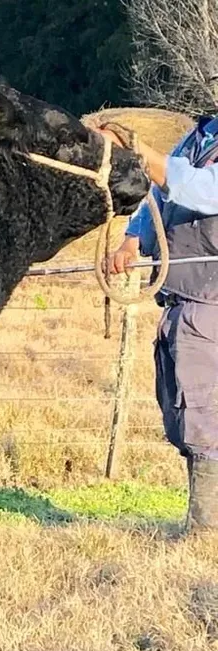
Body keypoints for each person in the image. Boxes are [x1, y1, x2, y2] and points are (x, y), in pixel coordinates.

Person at [103, 117, 218, 531]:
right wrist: (133, 238)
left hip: (210, 300)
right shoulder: (202, 134)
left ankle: (205, 531)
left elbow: (203, 190)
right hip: (180, 297)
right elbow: (161, 194)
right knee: (180, 413)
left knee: (203, 416)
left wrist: (139, 150)